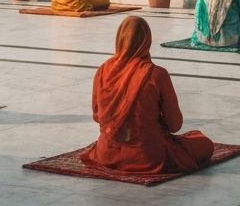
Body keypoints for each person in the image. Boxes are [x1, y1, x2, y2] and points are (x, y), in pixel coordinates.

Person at [82, 16, 213, 174]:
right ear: (147, 42)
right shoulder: (156, 74)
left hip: (108, 154)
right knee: (204, 144)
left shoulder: (103, 70)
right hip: (147, 156)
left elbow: (98, 116)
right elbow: (175, 124)